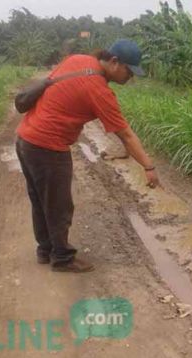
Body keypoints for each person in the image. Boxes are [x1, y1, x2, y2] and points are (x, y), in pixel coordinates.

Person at [15, 39, 160, 274]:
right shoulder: (99, 91)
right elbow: (125, 135)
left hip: (25, 138)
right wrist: (148, 166)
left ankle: (45, 250)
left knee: (41, 199)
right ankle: (61, 258)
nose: (129, 78)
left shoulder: (78, 59)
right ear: (114, 62)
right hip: (47, 146)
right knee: (59, 206)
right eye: (129, 71)